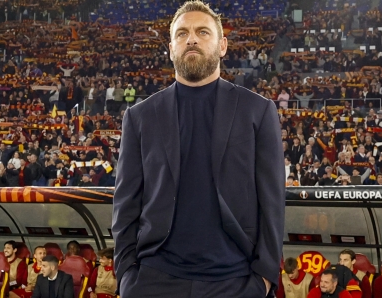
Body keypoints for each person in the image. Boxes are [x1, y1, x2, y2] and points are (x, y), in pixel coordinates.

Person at [112, 1, 285, 297]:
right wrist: (128, 274)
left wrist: (263, 280)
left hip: (236, 280)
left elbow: (272, 201)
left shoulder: (258, 111)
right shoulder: (140, 116)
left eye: (202, 32)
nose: (191, 38)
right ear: (170, 48)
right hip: (155, 279)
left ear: (222, 46)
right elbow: (126, 203)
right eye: (182, 34)